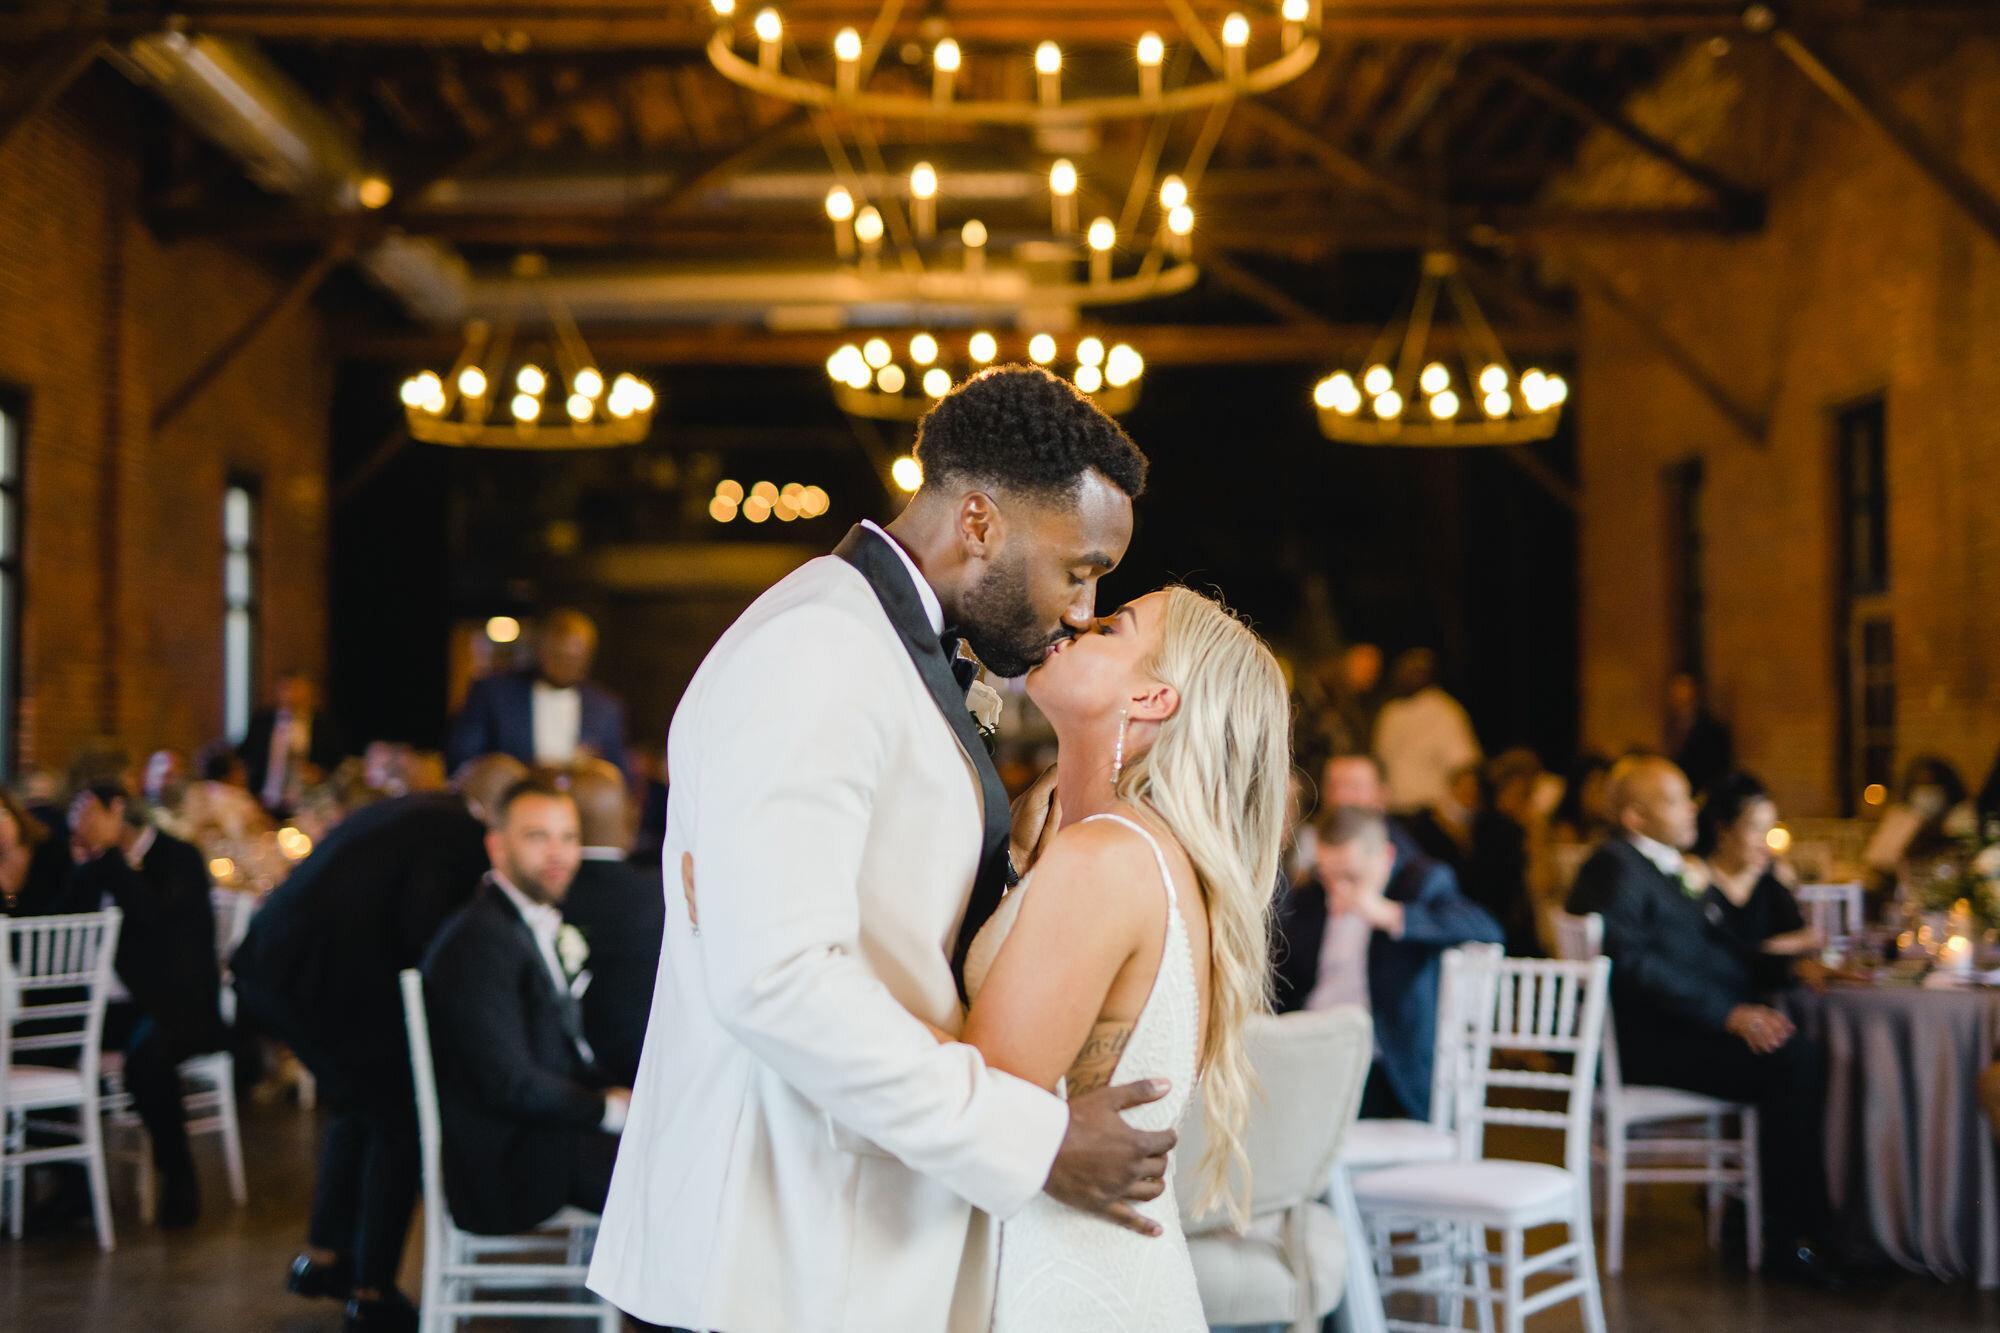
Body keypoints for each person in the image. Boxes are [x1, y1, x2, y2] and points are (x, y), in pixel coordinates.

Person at [589, 365, 1171, 1333]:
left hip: (840, 1230)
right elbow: (778, 977)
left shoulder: (877, 641)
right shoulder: (817, 649)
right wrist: (1031, 1140)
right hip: (778, 1249)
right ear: (978, 521)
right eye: (1079, 569)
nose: (1082, 606)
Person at [232, 754, 527, 1332]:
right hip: (315, 981)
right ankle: (372, 1293)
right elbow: (426, 933)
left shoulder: (411, 811)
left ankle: (327, 1259)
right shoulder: (458, 833)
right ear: (496, 809)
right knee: (400, 1118)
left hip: (276, 969)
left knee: (359, 1105)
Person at [1564, 755, 1842, 1287]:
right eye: (1674, 800)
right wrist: (1727, 1013)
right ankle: (1791, 1239)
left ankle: (1756, 1219)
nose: (1692, 808)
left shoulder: (1658, 865)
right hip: (1649, 1044)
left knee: (1794, 1052)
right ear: (1636, 817)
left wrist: (1787, 968)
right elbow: (1629, 962)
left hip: (1675, 1032)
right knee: (1795, 1060)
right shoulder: (1613, 866)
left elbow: (1710, 952)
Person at [420, 778, 626, 1234]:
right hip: (510, 1166)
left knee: (680, 1155)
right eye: (538, 837)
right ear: (496, 846)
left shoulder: (519, 921)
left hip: (546, 1136)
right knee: (677, 1173)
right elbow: (507, 1081)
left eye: (568, 838)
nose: (558, 854)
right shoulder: (478, 942)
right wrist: (605, 1110)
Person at [1272, 805, 1502, 1120]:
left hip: (1385, 1060)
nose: (1338, 887)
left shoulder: (1420, 883)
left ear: (1386, 857)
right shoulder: (1311, 896)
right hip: (1310, 1048)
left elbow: (1486, 929)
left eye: (1351, 876)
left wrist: (1390, 915)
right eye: (1328, 875)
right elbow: (1283, 976)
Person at [68, 782, 225, 1228]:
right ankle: (72, 1185)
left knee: (147, 1057)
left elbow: (156, 927)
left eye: (88, 813)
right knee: (49, 1046)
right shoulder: (96, 863)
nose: (79, 824)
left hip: (178, 1006)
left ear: (117, 810)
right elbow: (66, 917)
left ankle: (177, 1172)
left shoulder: (177, 858)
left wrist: (109, 860)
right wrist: (85, 866)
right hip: (110, 1011)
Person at [558, 758, 663, 1086]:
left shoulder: (548, 898)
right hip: (655, 1070)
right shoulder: (664, 894)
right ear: (630, 818)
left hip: (567, 1080)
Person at [447, 610, 628, 774]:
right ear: (539, 649)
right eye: (558, 656)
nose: (565, 665)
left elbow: (618, 775)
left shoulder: (606, 707)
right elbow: (461, 761)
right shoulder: (493, 693)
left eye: (574, 658)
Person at [1694, 771, 1825, 991]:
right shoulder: (1697, 878)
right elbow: (1702, 954)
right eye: (1756, 828)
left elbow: (1809, 939)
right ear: (1722, 829)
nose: (1765, 843)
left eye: (1770, 829)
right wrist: (1769, 949)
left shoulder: (1773, 880)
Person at [1371, 648, 1482, 814]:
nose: (1411, 675)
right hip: (1392, 811)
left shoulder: (1444, 710)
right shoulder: (1390, 712)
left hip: (1431, 810)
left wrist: (1458, 813)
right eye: (1407, 669)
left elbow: (1464, 767)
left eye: (1419, 670)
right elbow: (1378, 764)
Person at [240, 670, 347, 815]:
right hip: (264, 801)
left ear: (309, 692)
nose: (292, 695)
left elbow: (336, 763)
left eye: (298, 690)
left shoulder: (324, 725)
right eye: (287, 689)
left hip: (307, 805)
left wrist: (320, 773)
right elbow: (245, 756)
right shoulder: (262, 722)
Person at [1665, 672, 1732, 798]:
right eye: (1675, 687)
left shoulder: (1712, 730)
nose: (1679, 692)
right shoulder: (1671, 726)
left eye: (1685, 686)